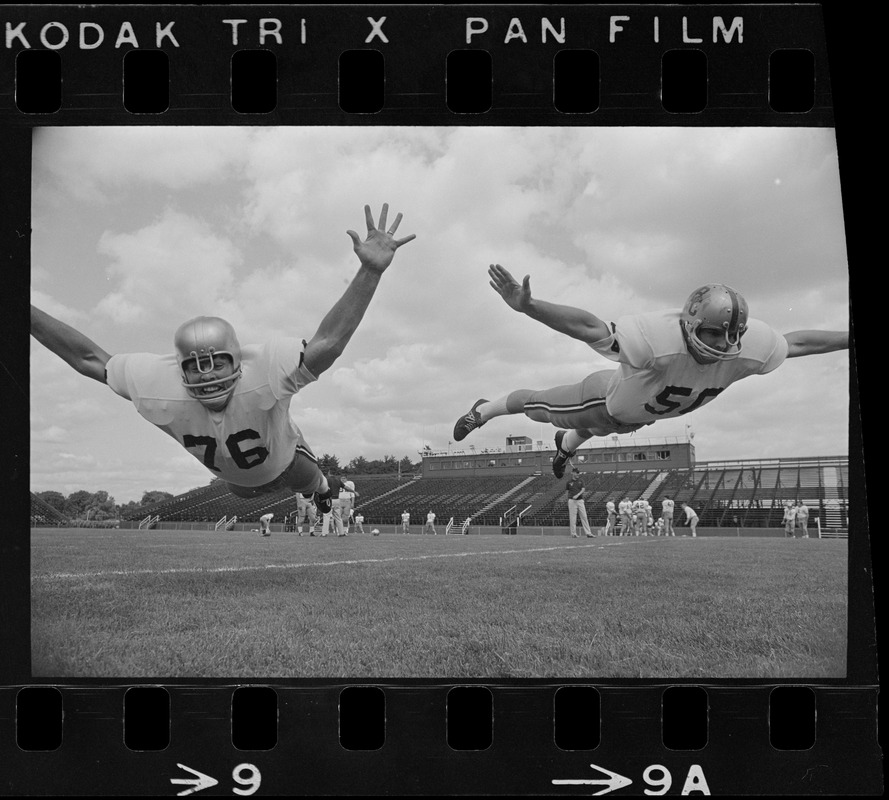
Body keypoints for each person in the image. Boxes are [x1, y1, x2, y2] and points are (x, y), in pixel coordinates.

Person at [31, 204, 415, 513]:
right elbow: (86, 358)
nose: (206, 374)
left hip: (283, 462)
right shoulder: (156, 383)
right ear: (176, 368)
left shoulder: (263, 373)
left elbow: (329, 342)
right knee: (247, 489)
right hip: (236, 482)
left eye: (216, 362)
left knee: (310, 479)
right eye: (194, 365)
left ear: (238, 361)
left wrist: (369, 272)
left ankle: (322, 488)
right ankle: (293, 448)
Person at [453, 271, 849, 478]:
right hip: (601, 399)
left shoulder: (752, 347)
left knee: (603, 431)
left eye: (733, 334)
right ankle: (484, 410)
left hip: (637, 413)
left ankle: (564, 448)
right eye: (714, 331)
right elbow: (593, 328)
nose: (725, 343)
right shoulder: (657, 338)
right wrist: (531, 307)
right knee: (539, 406)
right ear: (691, 322)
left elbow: (796, 343)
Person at [565, 466, 594, 538]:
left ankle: (588, 533)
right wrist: (569, 499)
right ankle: (573, 533)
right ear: (573, 473)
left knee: (584, 516)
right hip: (572, 501)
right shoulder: (569, 482)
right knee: (572, 518)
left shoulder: (581, 481)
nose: (578, 474)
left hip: (580, 500)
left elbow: (583, 489)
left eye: (578, 473)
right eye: (577, 473)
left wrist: (577, 495)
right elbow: (567, 491)